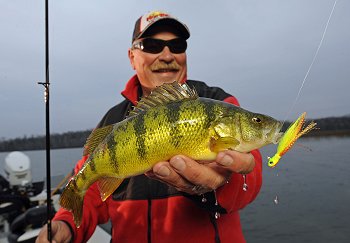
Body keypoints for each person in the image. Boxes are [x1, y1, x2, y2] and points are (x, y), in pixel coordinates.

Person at [36, 10, 262, 243]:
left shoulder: (218, 103)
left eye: (177, 45)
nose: (166, 55)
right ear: (132, 57)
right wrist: (65, 224)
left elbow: (251, 175)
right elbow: (91, 185)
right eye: (152, 45)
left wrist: (225, 180)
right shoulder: (113, 120)